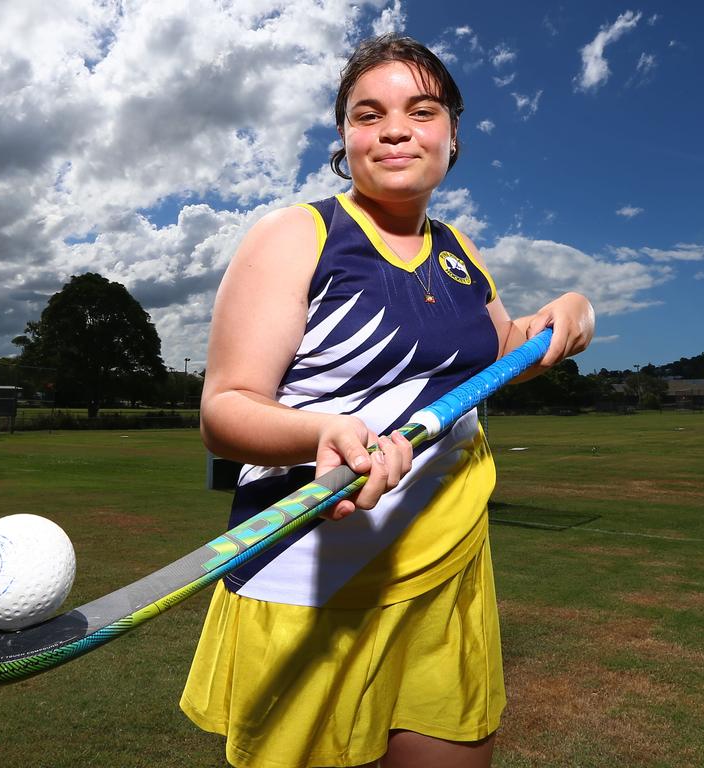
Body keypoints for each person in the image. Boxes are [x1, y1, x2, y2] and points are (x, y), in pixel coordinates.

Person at [180, 34, 595, 768]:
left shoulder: (460, 252)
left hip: (446, 576)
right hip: (312, 583)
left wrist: (563, 314)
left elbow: (501, 358)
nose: (396, 129)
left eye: (421, 109)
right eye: (368, 114)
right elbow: (226, 410)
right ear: (345, 137)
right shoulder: (298, 235)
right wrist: (323, 434)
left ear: (452, 133)